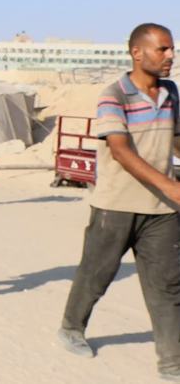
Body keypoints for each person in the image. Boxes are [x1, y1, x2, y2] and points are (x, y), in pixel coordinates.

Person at [57, 23, 180, 379]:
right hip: (116, 205)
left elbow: (176, 139)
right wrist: (172, 188)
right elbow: (121, 150)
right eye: (163, 49)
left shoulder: (171, 93)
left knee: (168, 285)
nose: (171, 56)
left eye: (172, 49)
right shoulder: (115, 95)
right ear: (137, 53)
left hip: (161, 211)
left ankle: (172, 363)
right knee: (96, 273)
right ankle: (71, 327)